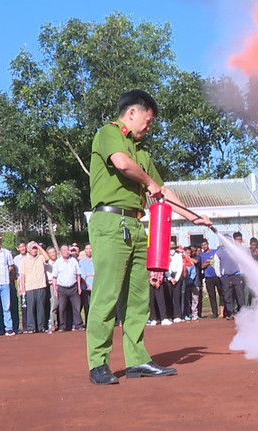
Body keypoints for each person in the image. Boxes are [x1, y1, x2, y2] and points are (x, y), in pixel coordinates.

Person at [86, 89, 212, 385]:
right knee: (107, 294)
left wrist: (193, 216)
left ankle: (137, 360)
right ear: (132, 113)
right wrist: (149, 182)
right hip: (110, 221)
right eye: (147, 119)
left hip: (136, 224)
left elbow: (163, 191)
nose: (148, 126)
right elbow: (121, 163)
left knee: (138, 297)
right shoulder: (109, 133)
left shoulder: (142, 151)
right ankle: (98, 362)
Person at [18, 241, 49, 333]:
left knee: (41, 308)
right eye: (33, 248)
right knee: (30, 308)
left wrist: (39, 247)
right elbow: (22, 275)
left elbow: (47, 258)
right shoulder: (24, 260)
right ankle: (31, 327)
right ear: (28, 249)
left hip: (41, 286)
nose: (34, 250)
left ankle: (41, 326)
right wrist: (23, 288)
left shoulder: (40, 257)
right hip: (30, 287)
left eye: (35, 248)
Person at [52, 244, 84, 331]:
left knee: (76, 307)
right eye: (64, 250)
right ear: (61, 252)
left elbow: (78, 275)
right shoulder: (58, 263)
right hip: (62, 289)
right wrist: (55, 290)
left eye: (67, 250)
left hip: (73, 287)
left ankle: (79, 325)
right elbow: (54, 277)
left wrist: (79, 287)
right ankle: (62, 326)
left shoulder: (73, 261)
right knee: (62, 308)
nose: (66, 252)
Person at [214, 236, 246, 319]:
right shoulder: (219, 252)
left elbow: (240, 262)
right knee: (228, 295)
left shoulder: (235, 251)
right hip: (225, 277)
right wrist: (220, 275)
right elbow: (217, 265)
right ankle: (230, 313)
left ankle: (242, 312)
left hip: (236, 275)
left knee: (240, 294)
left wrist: (241, 272)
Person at [200, 240, 223, 318]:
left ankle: (223, 311)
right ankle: (214, 312)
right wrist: (206, 263)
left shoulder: (215, 252)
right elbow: (201, 266)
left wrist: (209, 261)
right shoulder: (201, 255)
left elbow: (218, 261)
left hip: (217, 275)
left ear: (208, 244)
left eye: (205, 244)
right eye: (202, 245)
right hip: (208, 277)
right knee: (212, 295)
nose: (204, 246)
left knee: (221, 293)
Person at [167, 242, 184, 322]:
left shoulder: (179, 256)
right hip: (169, 276)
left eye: (173, 248)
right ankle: (170, 315)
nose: (172, 250)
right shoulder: (166, 256)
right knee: (168, 297)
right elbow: (165, 268)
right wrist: (170, 278)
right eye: (170, 249)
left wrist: (176, 279)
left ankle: (177, 315)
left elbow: (180, 268)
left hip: (177, 276)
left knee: (177, 297)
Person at [78, 243, 94, 323]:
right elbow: (83, 275)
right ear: (84, 250)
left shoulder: (96, 260)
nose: (88, 250)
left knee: (95, 306)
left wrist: (89, 274)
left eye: (90, 248)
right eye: (87, 248)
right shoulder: (81, 262)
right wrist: (90, 275)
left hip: (95, 287)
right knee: (87, 306)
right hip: (86, 288)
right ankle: (88, 323)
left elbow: (97, 273)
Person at [45, 246, 59, 332]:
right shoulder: (47, 264)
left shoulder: (60, 261)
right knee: (53, 305)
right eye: (50, 253)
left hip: (61, 284)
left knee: (62, 305)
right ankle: (52, 324)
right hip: (51, 285)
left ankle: (62, 323)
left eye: (53, 252)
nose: (52, 254)